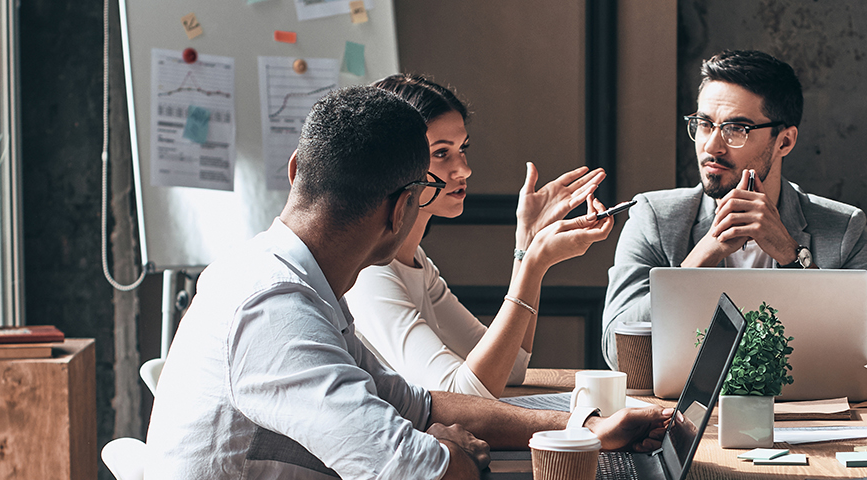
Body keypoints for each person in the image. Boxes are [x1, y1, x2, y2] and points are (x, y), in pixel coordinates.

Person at [146, 86, 669, 480]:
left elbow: (420, 404)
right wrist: (449, 449)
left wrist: (579, 431)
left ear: (295, 168)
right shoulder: (276, 309)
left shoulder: (281, 274)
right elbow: (422, 472)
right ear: (402, 207)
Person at [603, 50, 867, 366]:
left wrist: (792, 257)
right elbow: (619, 355)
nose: (711, 146)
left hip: (807, 412)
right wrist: (701, 258)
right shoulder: (654, 219)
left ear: (785, 142)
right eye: (704, 124)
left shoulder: (844, 228)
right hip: (686, 412)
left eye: (736, 129)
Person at [349, 74, 611, 398]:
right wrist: (534, 263)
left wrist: (527, 241)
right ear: (395, 161)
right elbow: (463, 396)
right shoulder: (370, 275)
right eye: (442, 153)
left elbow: (510, 367)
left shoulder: (417, 264)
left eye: (463, 149)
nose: (464, 169)